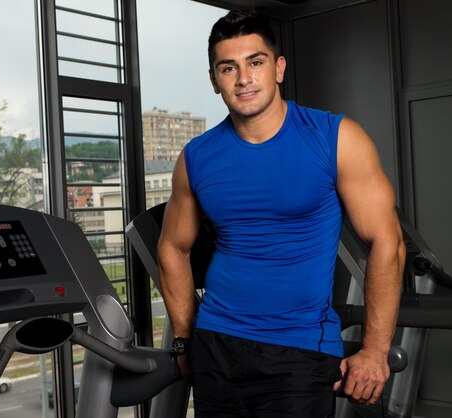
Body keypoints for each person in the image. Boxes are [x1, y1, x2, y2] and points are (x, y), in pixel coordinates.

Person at [157, 7, 405, 418]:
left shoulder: (335, 138)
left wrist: (375, 350)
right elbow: (172, 249)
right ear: (214, 80)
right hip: (217, 346)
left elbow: (388, 243)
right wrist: (185, 340)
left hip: (300, 350)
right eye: (228, 68)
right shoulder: (197, 157)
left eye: (256, 62)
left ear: (278, 68)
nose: (243, 78)